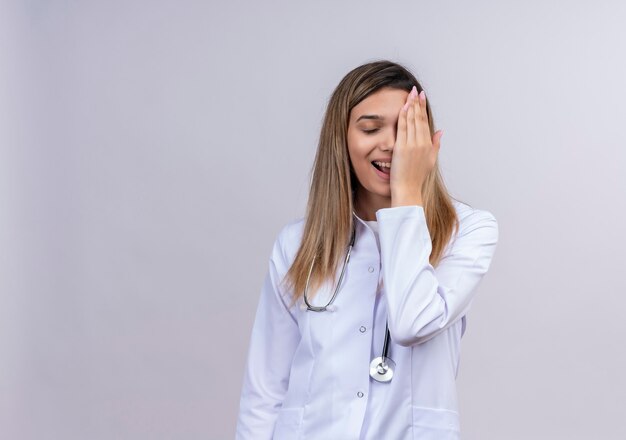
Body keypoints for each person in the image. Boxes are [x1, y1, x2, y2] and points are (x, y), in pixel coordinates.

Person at [235, 60, 499, 439]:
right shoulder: (296, 244)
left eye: (406, 131)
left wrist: (407, 196)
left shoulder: (468, 231)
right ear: (341, 139)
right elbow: (264, 393)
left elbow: (412, 323)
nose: (391, 144)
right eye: (371, 128)